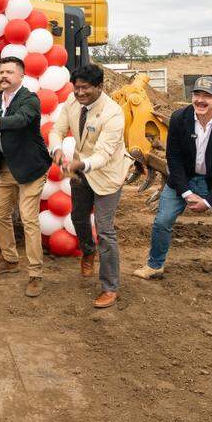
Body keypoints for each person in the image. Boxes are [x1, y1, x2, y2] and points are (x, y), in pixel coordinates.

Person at [133, 76, 212, 307]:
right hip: (184, 181)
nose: (201, 100)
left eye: (207, 96)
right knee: (162, 220)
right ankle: (155, 265)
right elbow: (173, 158)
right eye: (197, 95)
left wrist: (210, 202)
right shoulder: (179, 118)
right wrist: (185, 192)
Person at [49, 64, 128, 308]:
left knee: (105, 230)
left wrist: (76, 165)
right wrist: (58, 150)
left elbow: (103, 156)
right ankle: (87, 250)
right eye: (77, 88)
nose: (80, 93)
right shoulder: (72, 103)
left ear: (100, 87)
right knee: (79, 217)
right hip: (81, 169)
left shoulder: (113, 114)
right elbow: (56, 130)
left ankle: (110, 287)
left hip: (106, 175)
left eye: (86, 88)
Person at [0, 57, 53, 297]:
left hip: (31, 168)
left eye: (9, 72)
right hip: (6, 168)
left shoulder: (29, 99)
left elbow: (21, 120)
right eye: (1, 72)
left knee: (29, 219)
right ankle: (10, 260)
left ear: (21, 76)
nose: (3, 76)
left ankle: (35, 274)